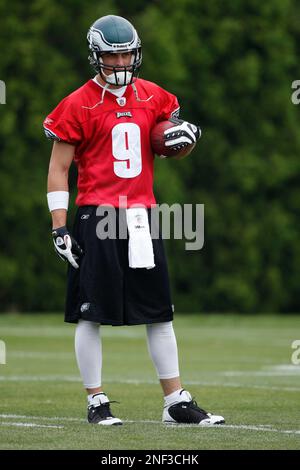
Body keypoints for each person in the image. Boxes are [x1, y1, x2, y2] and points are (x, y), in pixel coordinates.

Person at [44, 14, 225, 426]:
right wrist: (59, 225)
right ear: (96, 57)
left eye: (126, 53)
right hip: (98, 214)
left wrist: (183, 142)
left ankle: (175, 401)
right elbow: (59, 168)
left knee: (160, 311)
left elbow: (166, 142)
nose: (121, 62)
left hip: (142, 215)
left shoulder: (153, 96)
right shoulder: (77, 103)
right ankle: (96, 400)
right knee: (91, 312)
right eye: (112, 55)